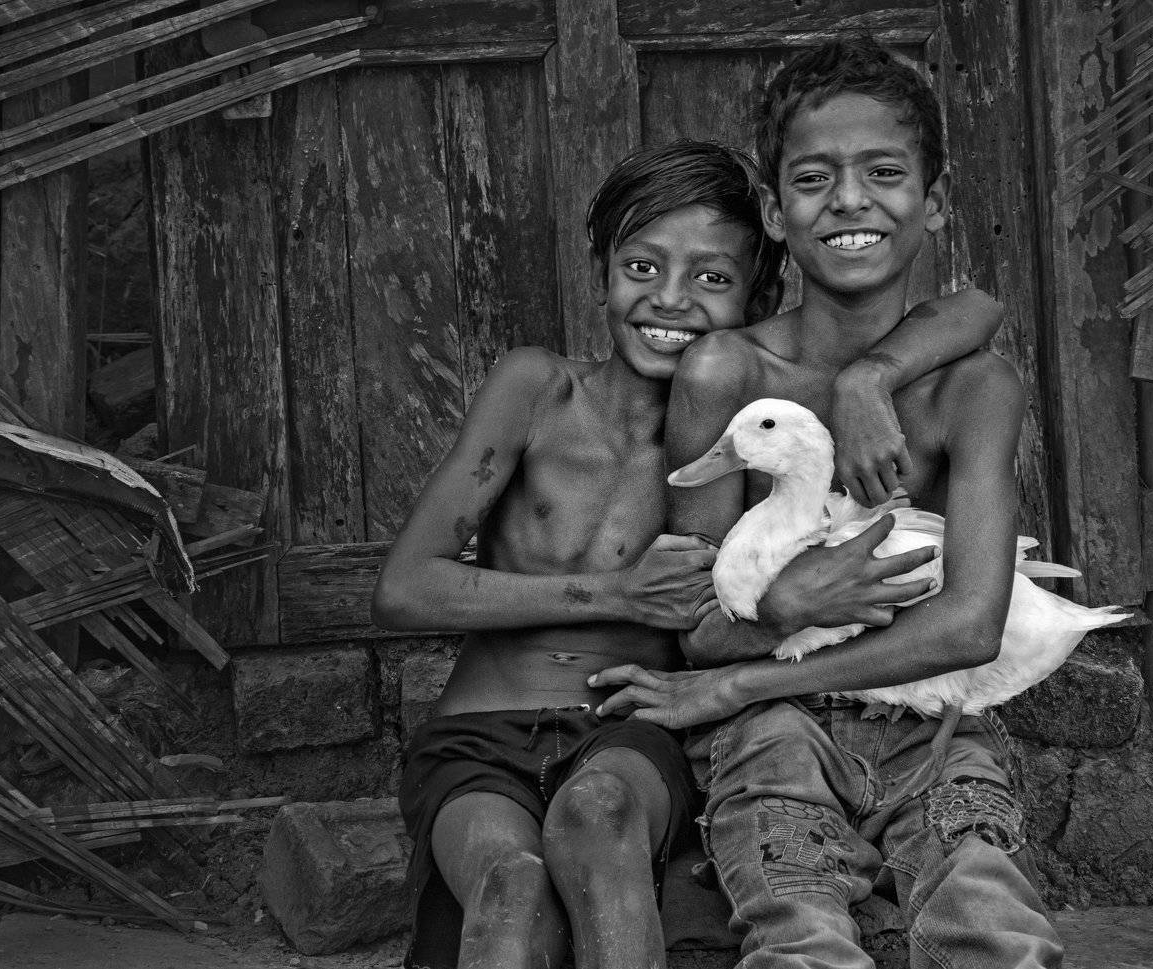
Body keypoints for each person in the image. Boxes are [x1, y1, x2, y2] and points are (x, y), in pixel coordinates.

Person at [372, 139, 1007, 969]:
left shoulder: (752, 428)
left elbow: (976, 309)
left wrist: (870, 379)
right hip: (477, 735)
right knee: (512, 884)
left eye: (711, 278)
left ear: (759, 297)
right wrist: (619, 593)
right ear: (601, 271)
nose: (669, 299)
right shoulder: (538, 389)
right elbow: (403, 589)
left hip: (630, 737)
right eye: (641, 267)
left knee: (597, 814)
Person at [592, 39, 1064, 968]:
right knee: (799, 933)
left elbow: (970, 625)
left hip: (929, 723)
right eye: (814, 178)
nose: (850, 199)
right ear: (776, 211)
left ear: (933, 200)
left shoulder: (975, 390)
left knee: (991, 917)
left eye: (883, 173)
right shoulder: (727, 373)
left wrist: (866, 377)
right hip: (769, 734)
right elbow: (698, 629)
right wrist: (786, 607)